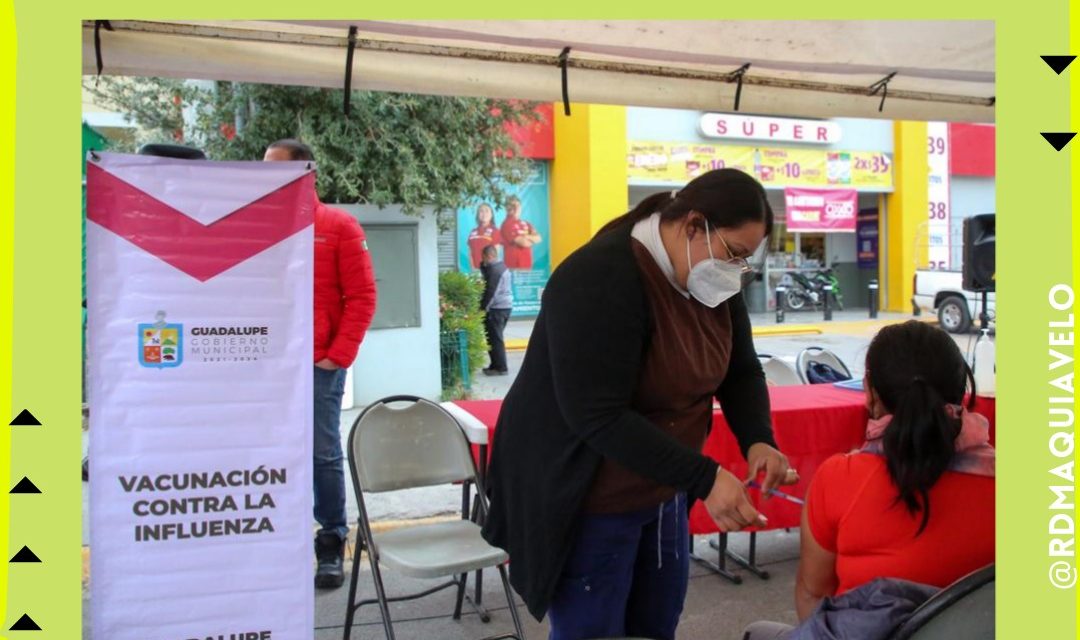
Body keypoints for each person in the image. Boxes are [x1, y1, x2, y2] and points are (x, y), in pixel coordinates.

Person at [481, 169, 796, 640]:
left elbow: (742, 369)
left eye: (745, 260)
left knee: (655, 623)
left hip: (661, 485)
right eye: (733, 253)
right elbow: (596, 414)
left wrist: (758, 439)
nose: (736, 269)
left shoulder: (712, 281)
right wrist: (705, 477)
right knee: (593, 630)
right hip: (586, 490)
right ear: (692, 225)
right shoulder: (601, 276)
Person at [744, 321, 995, 640]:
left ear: (869, 392)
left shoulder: (838, 478)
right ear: (963, 390)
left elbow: (812, 595)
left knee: (757, 632)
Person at [264, 139, 378, 590]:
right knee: (272, 452)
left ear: (304, 172)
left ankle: (331, 539)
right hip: (267, 364)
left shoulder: (338, 225)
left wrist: (336, 357)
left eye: (275, 168)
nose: (266, 176)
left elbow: (363, 297)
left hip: (317, 365)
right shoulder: (258, 227)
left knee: (321, 452)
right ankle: (278, 540)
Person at [479, 245, 513, 376]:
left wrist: (482, 309)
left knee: (495, 339)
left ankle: (501, 367)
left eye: (484, 257)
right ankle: (495, 365)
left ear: (490, 256)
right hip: (503, 307)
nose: (483, 260)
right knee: (493, 338)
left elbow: (491, 292)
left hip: (497, 309)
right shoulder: (499, 267)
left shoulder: (495, 271)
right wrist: (483, 265)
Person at [500, 196, 542, 270]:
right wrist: (531, 238)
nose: (516, 208)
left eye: (518, 205)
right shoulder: (506, 224)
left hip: (527, 267)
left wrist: (526, 237)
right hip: (513, 268)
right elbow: (524, 243)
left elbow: (539, 238)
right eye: (513, 205)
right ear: (507, 208)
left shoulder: (526, 223)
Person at [467, 203, 502, 269]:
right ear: (478, 215)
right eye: (481, 211)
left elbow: (495, 253)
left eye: (487, 211)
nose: (484, 213)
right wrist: (473, 268)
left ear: (491, 215)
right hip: (475, 271)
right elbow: (470, 253)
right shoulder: (473, 232)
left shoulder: (495, 231)